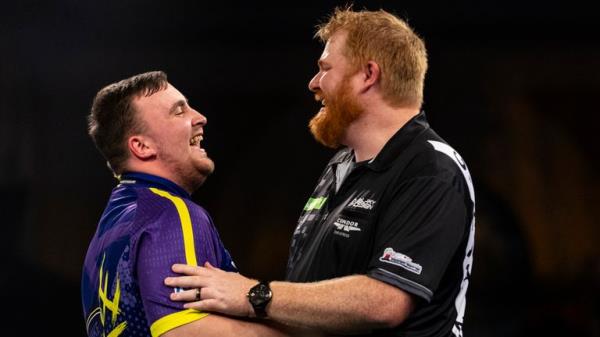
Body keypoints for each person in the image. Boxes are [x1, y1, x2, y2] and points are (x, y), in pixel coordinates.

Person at [164, 7, 476, 337]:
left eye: (325, 68)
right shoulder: (340, 165)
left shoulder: (431, 169)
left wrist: (251, 295)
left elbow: (386, 302)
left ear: (368, 75)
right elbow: (311, 309)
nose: (314, 83)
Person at [81, 71, 301, 337]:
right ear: (142, 146)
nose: (200, 118)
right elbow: (184, 331)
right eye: (178, 112)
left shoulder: (106, 233)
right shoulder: (167, 211)